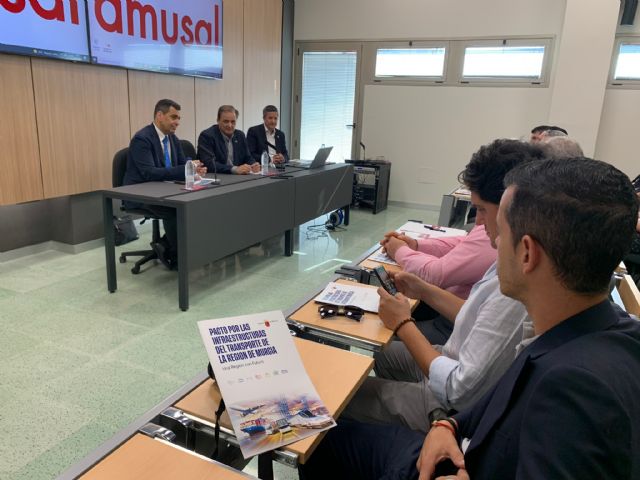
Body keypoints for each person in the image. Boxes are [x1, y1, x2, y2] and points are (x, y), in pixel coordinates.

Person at [301, 157, 640, 480]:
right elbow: (499, 396)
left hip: (458, 456)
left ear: (527, 253)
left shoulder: (572, 388)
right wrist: (449, 425)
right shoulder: (603, 329)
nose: (492, 241)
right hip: (455, 431)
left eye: (500, 233)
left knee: (324, 434)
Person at [342, 139, 544, 433]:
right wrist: (423, 291)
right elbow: (475, 313)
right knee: (382, 352)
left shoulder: (516, 282)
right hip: (451, 357)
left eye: (482, 210)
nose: (479, 222)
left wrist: (403, 324)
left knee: (343, 397)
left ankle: (411, 428)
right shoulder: (506, 252)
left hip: (452, 405)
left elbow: (458, 391)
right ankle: (397, 430)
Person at [123, 99, 206, 269]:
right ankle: (177, 258)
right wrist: (184, 168)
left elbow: (182, 162)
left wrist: (193, 167)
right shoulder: (142, 139)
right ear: (159, 116)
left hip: (166, 190)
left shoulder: (172, 138)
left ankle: (164, 245)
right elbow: (150, 173)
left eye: (179, 118)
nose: (177, 122)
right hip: (141, 194)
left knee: (198, 203)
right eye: (173, 117)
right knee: (174, 210)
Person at [380, 225, 496, 300]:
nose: (478, 221)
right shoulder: (492, 226)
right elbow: (465, 243)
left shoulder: (497, 237)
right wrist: (415, 245)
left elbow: (435, 275)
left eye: (482, 209)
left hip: (450, 320)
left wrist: (399, 250)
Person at [197, 105, 259, 175]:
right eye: (226, 121)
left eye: (233, 122)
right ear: (218, 120)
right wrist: (234, 169)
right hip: (217, 176)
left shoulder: (240, 135)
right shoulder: (207, 136)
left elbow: (247, 157)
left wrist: (253, 164)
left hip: (238, 177)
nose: (230, 125)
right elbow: (209, 164)